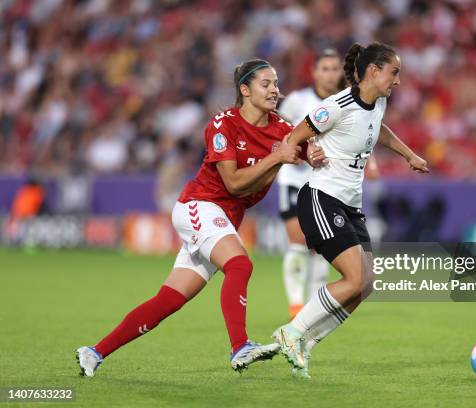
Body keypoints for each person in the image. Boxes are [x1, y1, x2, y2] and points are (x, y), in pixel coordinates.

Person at [76, 59, 327, 377]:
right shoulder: (223, 124)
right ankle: (240, 347)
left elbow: (310, 152)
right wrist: (276, 157)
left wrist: (316, 156)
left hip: (222, 217)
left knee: (168, 300)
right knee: (240, 264)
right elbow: (234, 183)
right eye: (266, 83)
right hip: (199, 206)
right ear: (245, 90)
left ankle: (94, 352)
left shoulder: (282, 129)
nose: (275, 89)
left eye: (276, 83)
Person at [272, 43, 429, 378]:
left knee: (366, 285)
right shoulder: (336, 106)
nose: (397, 80)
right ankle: (291, 331)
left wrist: (409, 155)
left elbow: (379, 129)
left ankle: (307, 343)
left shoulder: (379, 102)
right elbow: (292, 137)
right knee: (354, 278)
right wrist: (309, 151)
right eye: (394, 72)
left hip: (350, 204)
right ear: (374, 71)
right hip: (321, 197)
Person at [277, 48, 380, 319]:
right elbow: (281, 130)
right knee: (298, 242)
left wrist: (372, 162)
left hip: (330, 181)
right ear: (314, 72)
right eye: (325, 68)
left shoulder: (350, 100)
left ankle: (315, 304)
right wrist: (303, 150)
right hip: (295, 178)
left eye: (335, 68)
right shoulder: (298, 100)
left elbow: (362, 133)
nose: (331, 74)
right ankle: (296, 305)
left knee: (321, 250)